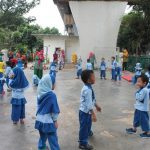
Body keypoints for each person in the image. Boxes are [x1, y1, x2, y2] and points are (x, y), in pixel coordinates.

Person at [35, 74, 60, 150]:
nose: (55, 84)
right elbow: (54, 110)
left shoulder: (39, 94)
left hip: (39, 119)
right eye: (53, 83)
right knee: (53, 138)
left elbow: (38, 106)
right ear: (49, 84)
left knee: (43, 136)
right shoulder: (52, 95)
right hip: (48, 121)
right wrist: (55, 121)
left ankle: (41, 147)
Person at [79, 70, 101, 150]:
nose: (95, 78)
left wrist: (97, 105)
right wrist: (93, 114)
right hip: (85, 112)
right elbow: (88, 104)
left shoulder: (89, 87)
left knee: (88, 124)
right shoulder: (87, 90)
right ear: (88, 80)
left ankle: (88, 132)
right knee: (84, 127)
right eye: (93, 77)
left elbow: (92, 99)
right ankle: (82, 143)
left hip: (87, 111)